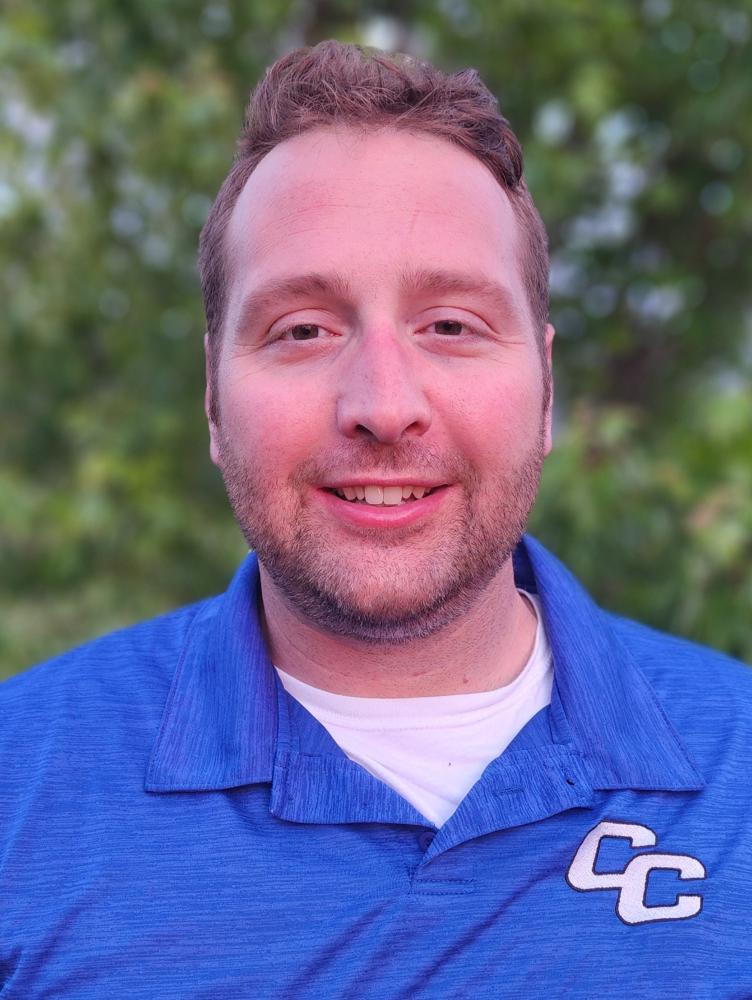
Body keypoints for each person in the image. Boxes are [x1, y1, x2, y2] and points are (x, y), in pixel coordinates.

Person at [1, 40, 750, 1000]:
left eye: (451, 325)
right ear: (213, 398)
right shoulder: (21, 787)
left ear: (549, 387)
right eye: (302, 330)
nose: (384, 403)